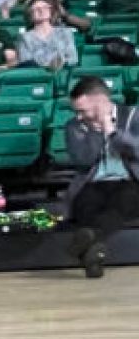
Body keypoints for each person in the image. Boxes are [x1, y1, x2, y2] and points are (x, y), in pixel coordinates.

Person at [65, 75, 139, 278]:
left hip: (130, 181)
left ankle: (90, 245)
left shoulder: (133, 116)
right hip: (93, 182)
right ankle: (93, 250)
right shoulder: (74, 126)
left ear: (99, 102)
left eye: (83, 110)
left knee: (125, 201)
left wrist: (112, 133)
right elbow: (83, 160)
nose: (79, 116)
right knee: (86, 205)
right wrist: (95, 133)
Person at [16, 0, 78, 71]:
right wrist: (49, 66)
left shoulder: (65, 32)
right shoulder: (25, 37)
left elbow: (73, 58)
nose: (42, 10)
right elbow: (25, 62)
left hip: (63, 72)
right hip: (39, 75)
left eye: (45, 7)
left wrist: (60, 63)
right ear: (30, 15)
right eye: (37, 9)